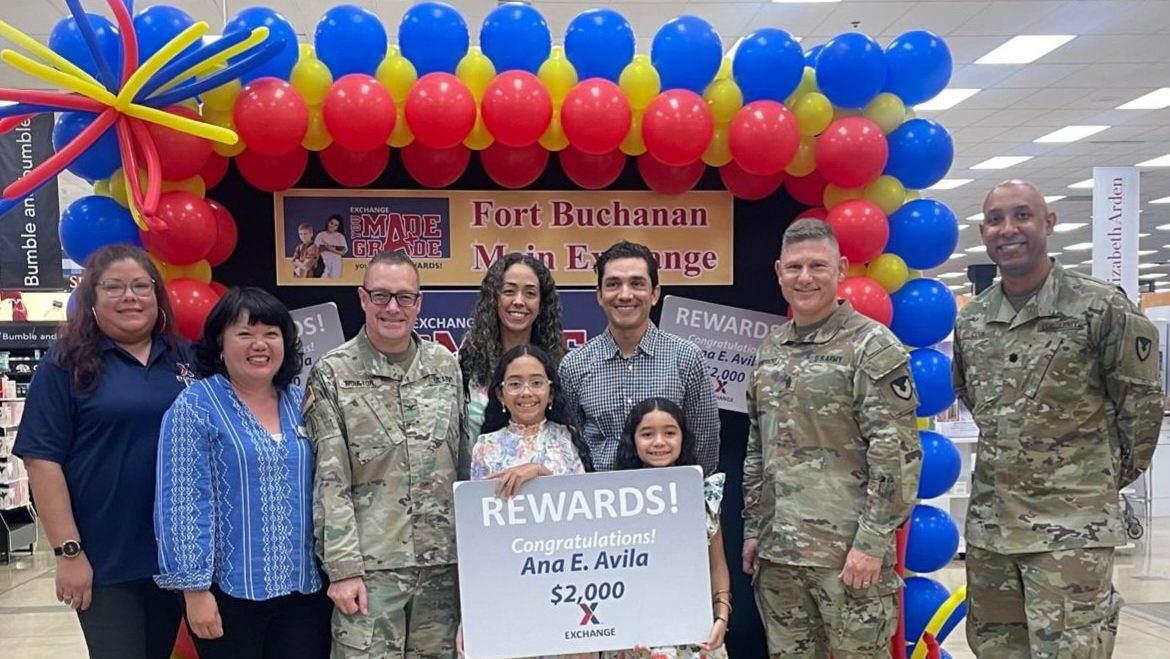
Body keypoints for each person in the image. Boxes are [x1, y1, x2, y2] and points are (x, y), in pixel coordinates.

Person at [952, 180, 1163, 659]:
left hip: (1071, 531)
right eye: (996, 219)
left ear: (1048, 223)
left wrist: (1090, 482)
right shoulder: (973, 318)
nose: (1008, 229)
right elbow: (970, 395)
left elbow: (1141, 408)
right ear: (984, 231)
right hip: (992, 530)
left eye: (1022, 215)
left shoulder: (1100, 308)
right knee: (996, 649)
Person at [743, 219, 921, 659]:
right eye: (795, 267)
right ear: (779, 272)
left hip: (847, 560)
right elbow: (756, 447)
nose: (805, 278)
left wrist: (870, 545)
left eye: (818, 266)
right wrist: (752, 530)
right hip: (779, 556)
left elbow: (897, 455)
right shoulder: (770, 349)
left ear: (841, 269)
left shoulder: (872, 346)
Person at [13, 245, 191, 659]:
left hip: (175, 557)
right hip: (104, 560)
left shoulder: (184, 359)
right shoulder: (65, 364)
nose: (129, 296)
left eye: (140, 286)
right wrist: (68, 552)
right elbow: (42, 461)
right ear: (91, 299)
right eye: (113, 287)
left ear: (157, 297)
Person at [154, 287, 331, 658]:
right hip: (228, 597)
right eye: (245, 333)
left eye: (271, 333)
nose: (259, 344)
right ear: (220, 342)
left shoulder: (302, 403)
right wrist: (195, 593)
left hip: (304, 596)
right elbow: (183, 504)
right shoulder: (196, 407)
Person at [305, 250, 465, 658]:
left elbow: (463, 462)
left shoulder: (445, 365)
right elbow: (330, 478)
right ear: (362, 299)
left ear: (419, 303)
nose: (393, 307)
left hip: (442, 569)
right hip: (372, 572)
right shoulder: (333, 372)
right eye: (381, 296)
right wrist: (342, 571)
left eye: (404, 297)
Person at [458, 344, 593, 659]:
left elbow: (587, 523)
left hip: (568, 592)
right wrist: (470, 616)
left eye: (536, 382)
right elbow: (478, 540)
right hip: (508, 595)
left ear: (550, 390)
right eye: (514, 383)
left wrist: (540, 472)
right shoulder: (484, 448)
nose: (526, 392)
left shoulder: (569, 440)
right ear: (501, 395)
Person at [558, 241, 719, 474]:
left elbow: (704, 446)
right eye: (613, 284)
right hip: (600, 501)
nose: (625, 294)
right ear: (600, 295)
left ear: (654, 294)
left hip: (671, 500)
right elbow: (571, 446)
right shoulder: (574, 366)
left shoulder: (686, 358)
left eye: (636, 283)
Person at [605, 398, 729, 659]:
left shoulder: (703, 495)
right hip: (635, 637)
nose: (659, 442)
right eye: (647, 434)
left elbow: (717, 565)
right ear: (633, 440)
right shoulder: (612, 502)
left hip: (697, 637)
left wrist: (722, 616)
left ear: (683, 437)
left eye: (670, 433)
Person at [459, 253, 566, 449]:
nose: (519, 301)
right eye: (509, 291)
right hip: (477, 475)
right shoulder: (464, 365)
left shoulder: (560, 365)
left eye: (530, 293)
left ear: (541, 305)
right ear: (494, 298)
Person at [315, 214, 348, 278]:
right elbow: (315, 250)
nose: (332, 226)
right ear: (328, 222)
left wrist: (330, 248)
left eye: (335, 225)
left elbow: (343, 252)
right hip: (322, 261)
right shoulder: (320, 235)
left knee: (334, 282)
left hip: (336, 262)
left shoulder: (340, 236)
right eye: (331, 223)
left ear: (338, 227)